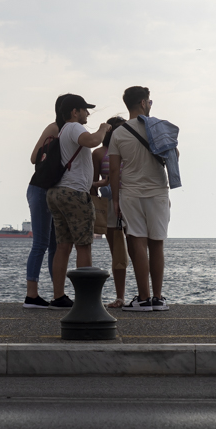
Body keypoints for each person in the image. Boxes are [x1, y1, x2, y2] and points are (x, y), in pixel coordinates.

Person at [45, 95, 111, 309]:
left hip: (58, 193)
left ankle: (58, 297)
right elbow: (93, 141)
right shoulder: (73, 128)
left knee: (63, 246)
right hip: (74, 195)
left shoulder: (64, 130)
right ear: (75, 112)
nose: (87, 114)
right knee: (84, 245)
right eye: (84, 110)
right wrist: (103, 128)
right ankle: (86, 299)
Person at [109, 86, 171, 312]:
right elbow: (174, 157)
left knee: (137, 242)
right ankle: (158, 297)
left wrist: (115, 200)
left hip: (131, 193)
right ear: (143, 103)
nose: (151, 105)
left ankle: (143, 299)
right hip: (158, 192)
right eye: (150, 101)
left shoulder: (118, 133)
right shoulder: (159, 127)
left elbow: (114, 171)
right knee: (157, 243)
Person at [23, 93, 71, 309]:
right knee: (41, 243)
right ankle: (31, 295)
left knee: (54, 244)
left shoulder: (68, 131)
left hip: (52, 192)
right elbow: (34, 158)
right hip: (40, 189)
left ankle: (57, 294)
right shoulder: (54, 129)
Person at [92, 116, 129, 308]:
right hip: (109, 205)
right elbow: (92, 184)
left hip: (131, 201)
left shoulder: (130, 149)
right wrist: (101, 185)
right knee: (117, 253)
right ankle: (120, 297)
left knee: (136, 249)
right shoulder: (99, 153)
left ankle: (143, 295)